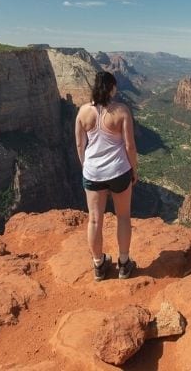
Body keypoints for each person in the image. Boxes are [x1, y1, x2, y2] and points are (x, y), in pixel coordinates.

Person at [75, 71, 139, 281]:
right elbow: (130, 146)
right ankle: (123, 263)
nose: (117, 90)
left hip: (93, 173)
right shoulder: (121, 111)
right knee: (123, 217)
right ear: (110, 88)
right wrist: (134, 171)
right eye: (115, 86)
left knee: (94, 220)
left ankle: (99, 265)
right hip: (119, 171)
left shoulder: (83, 112)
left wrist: (87, 166)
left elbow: (79, 144)